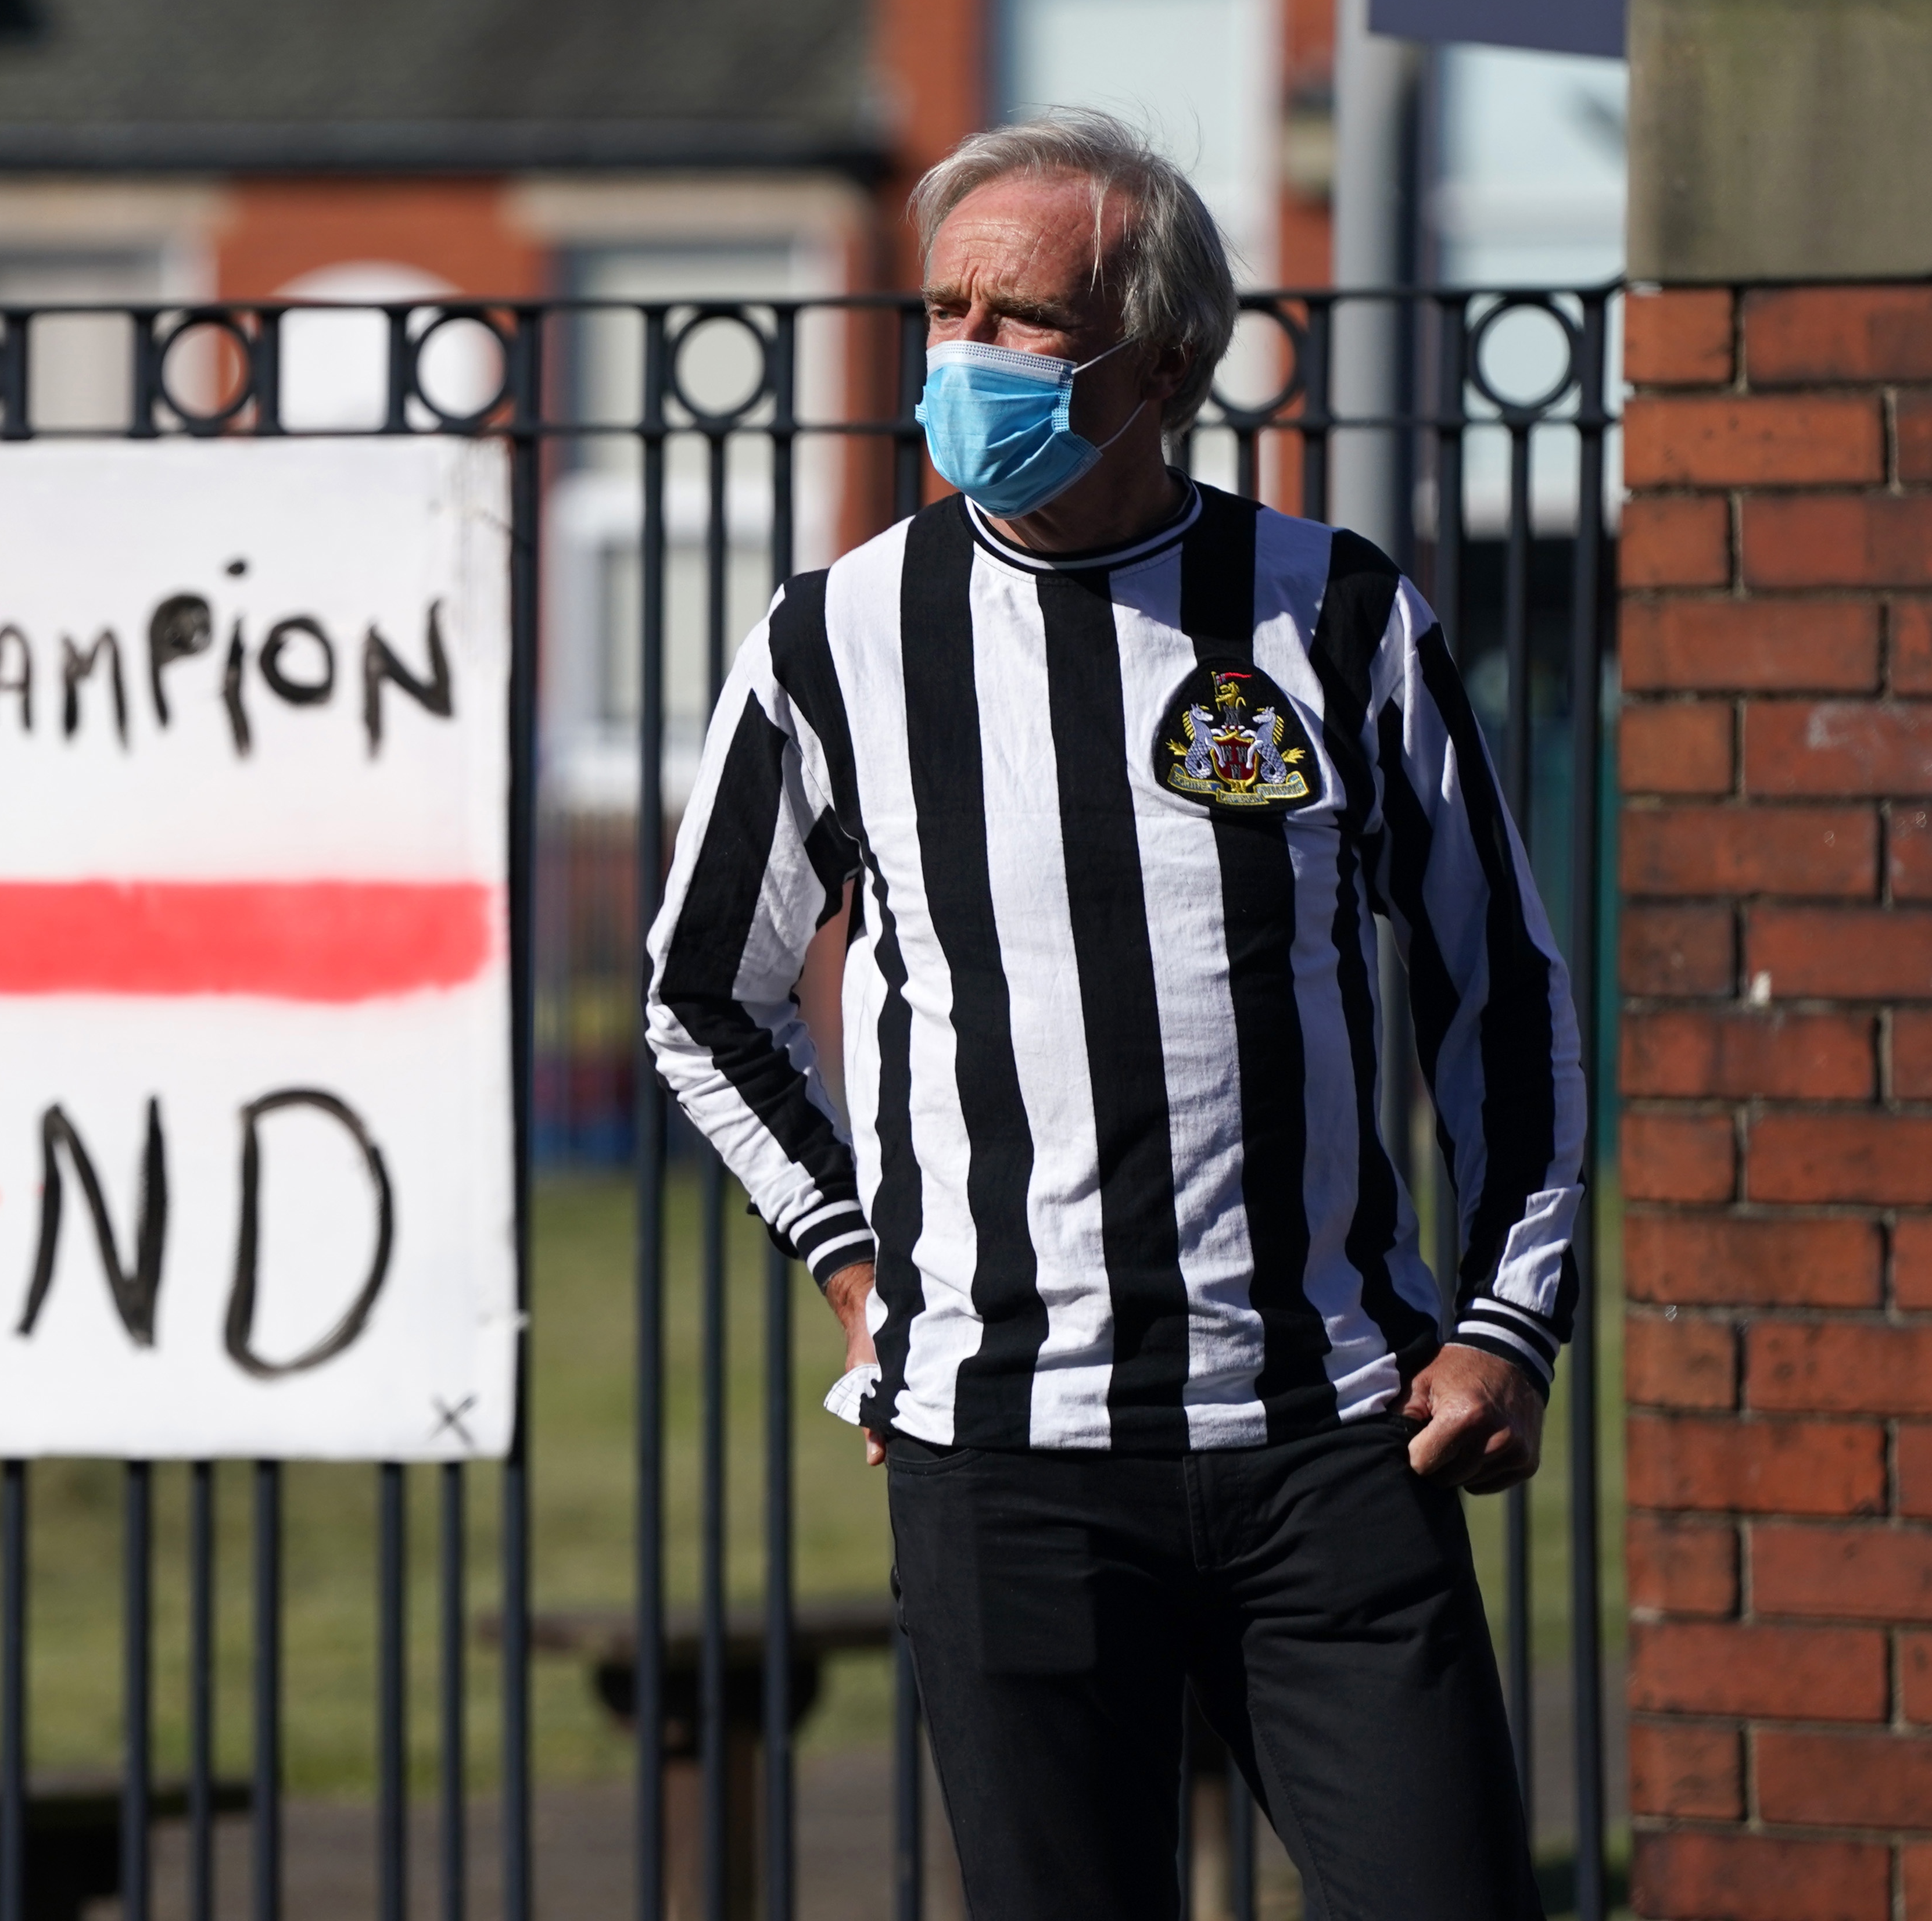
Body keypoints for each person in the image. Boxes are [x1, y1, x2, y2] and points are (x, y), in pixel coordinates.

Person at [643, 109, 1579, 1920]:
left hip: (1329, 1438)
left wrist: (1504, 1325)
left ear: (1160, 363)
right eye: (944, 313)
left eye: (1021, 322)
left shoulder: (1335, 616)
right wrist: (856, 1264)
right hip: (1005, 1459)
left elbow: (1507, 994)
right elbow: (702, 994)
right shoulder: (834, 639)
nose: (963, 360)